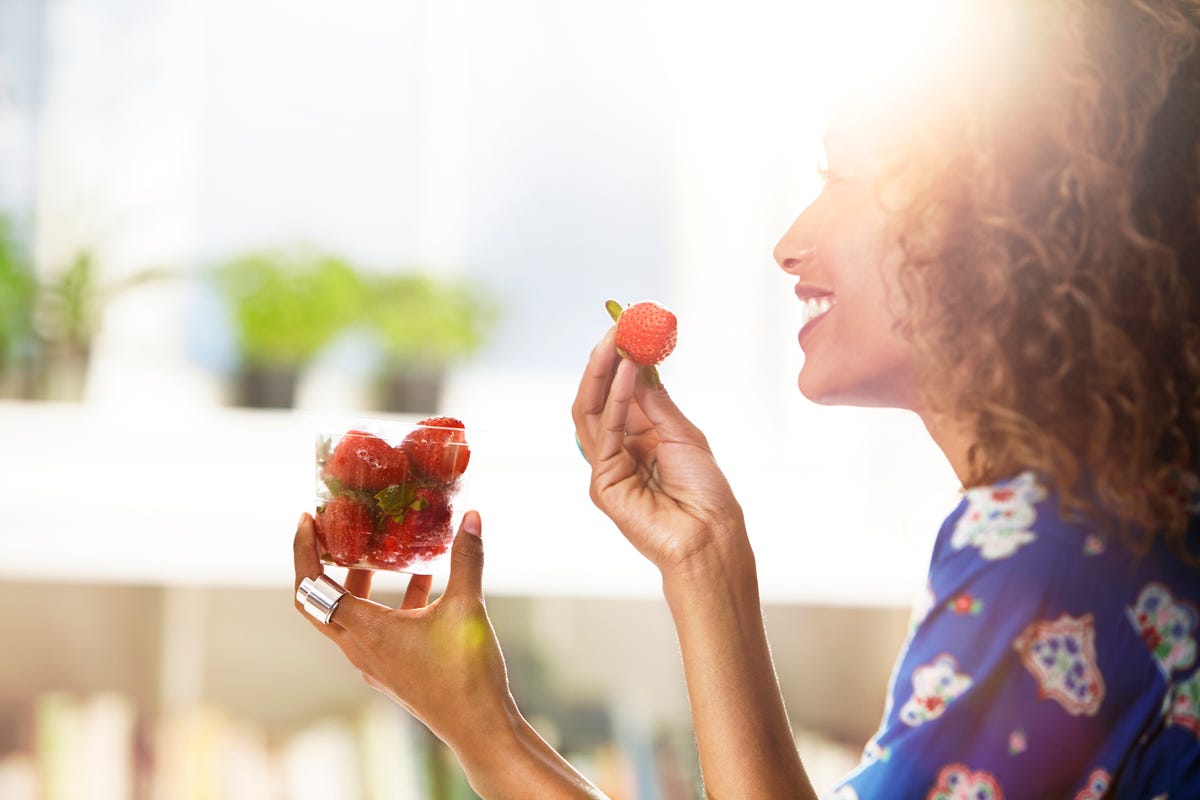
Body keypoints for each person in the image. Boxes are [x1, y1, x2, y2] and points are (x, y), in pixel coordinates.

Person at [292, 0, 1200, 796]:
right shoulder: (1126, 525)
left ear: (1003, 215)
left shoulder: (1050, 554)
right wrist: (702, 553)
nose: (789, 245)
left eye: (841, 177)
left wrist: (481, 730)